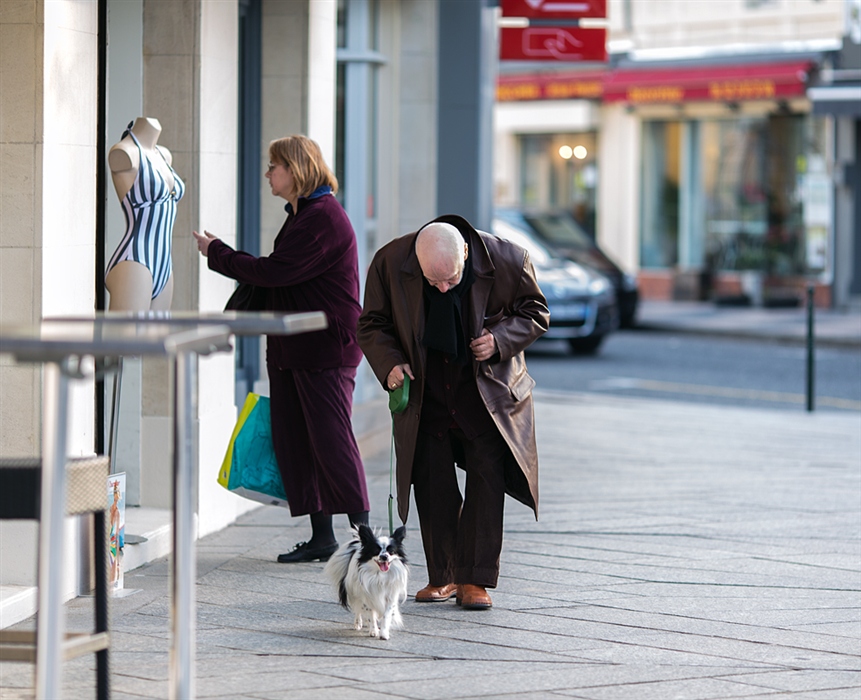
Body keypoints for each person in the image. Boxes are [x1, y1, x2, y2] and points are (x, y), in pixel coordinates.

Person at [193, 135, 369, 563]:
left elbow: (276, 272)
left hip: (325, 347)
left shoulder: (323, 217)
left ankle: (366, 538)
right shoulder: (301, 215)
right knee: (296, 439)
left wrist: (218, 253)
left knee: (330, 439)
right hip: (294, 345)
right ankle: (321, 537)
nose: (269, 173)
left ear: (295, 169)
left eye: (274, 166)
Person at [357, 216, 549, 609]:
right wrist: (390, 362)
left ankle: (474, 579)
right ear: (417, 261)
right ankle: (443, 576)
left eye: (451, 280)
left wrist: (499, 340)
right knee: (432, 482)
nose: (443, 288)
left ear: (464, 253)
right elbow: (372, 323)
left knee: (486, 479)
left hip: (485, 392)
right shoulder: (391, 261)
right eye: (433, 282)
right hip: (427, 390)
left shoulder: (509, 258)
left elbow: (536, 312)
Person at [105, 117, 185, 311]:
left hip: (164, 264)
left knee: (157, 341)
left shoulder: (163, 155)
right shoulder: (124, 152)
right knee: (124, 342)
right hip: (135, 260)